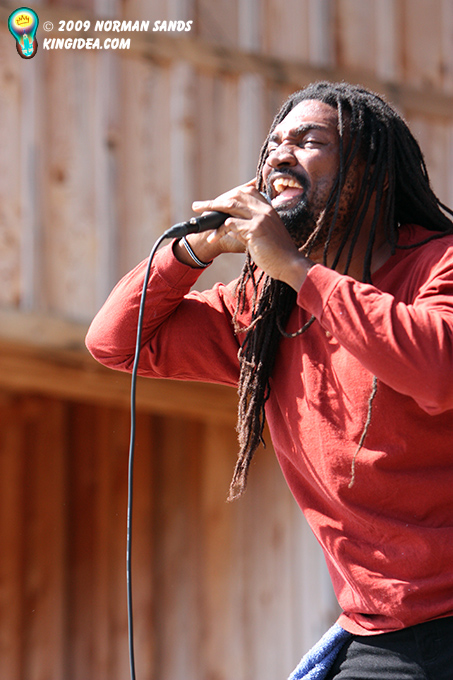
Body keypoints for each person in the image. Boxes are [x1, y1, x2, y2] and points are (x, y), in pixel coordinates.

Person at [86, 81, 453, 679]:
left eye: (309, 141)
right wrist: (197, 249)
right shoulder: (266, 309)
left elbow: (436, 370)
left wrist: (297, 268)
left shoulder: (439, 264)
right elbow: (115, 341)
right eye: (274, 144)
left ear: (370, 170)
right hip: (381, 629)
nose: (281, 154)